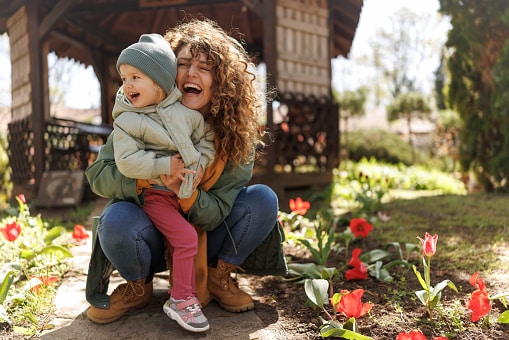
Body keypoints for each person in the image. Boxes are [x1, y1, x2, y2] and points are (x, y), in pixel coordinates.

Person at [84, 18, 287, 329]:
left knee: (262, 199)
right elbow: (99, 174)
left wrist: (189, 192)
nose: (192, 72)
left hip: (207, 233)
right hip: (149, 230)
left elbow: (215, 213)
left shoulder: (235, 139)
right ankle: (139, 286)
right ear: (165, 72)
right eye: (184, 63)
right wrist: (148, 176)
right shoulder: (138, 117)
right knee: (115, 220)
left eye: (205, 67)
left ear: (222, 80)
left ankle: (218, 276)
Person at [110, 33, 215, 332]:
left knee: (191, 238)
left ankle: (199, 287)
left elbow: (207, 139)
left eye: (135, 76)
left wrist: (201, 165)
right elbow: (126, 161)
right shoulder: (127, 121)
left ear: (159, 81)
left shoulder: (186, 115)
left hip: (185, 193)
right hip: (156, 195)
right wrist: (163, 165)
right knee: (185, 238)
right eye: (123, 77)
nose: (127, 84)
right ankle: (181, 299)